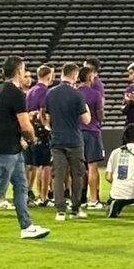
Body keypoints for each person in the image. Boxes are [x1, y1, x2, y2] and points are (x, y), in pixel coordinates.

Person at [0, 57, 50, 241]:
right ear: (19, 70)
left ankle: (26, 226)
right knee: (0, 187)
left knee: (21, 186)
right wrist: (32, 139)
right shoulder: (16, 93)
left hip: (9, 146)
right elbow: (25, 125)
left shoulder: (0, 90)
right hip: (5, 148)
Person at [46, 62, 90, 220]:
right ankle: (76, 208)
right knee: (77, 174)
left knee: (58, 175)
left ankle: (60, 210)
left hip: (57, 139)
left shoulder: (50, 93)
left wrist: (50, 127)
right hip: (74, 140)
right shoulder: (77, 94)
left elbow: (46, 116)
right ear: (74, 76)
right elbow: (86, 119)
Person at [25, 62, 55, 208]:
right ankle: (43, 197)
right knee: (46, 165)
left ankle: (28, 194)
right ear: (49, 76)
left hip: (30, 131)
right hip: (41, 133)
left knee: (32, 165)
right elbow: (43, 111)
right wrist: (47, 126)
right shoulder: (44, 91)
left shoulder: (30, 91)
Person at [79, 61, 107, 210]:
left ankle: (77, 198)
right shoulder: (96, 94)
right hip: (92, 131)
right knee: (92, 167)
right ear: (90, 77)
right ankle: (93, 199)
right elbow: (100, 115)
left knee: (78, 168)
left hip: (77, 133)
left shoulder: (75, 92)